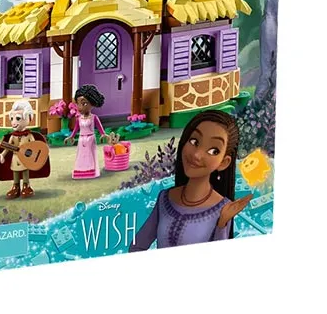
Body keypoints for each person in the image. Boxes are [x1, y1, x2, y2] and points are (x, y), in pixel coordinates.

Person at [129, 110, 252, 249]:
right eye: (194, 141)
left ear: (224, 162)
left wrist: (222, 223)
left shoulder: (223, 210)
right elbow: (137, 245)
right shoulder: (164, 198)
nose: (197, 155)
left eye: (213, 151)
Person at [0, 100, 50, 199]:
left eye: (18, 118)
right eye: (12, 119)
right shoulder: (13, 136)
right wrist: (2, 155)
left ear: (28, 118)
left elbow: (35, 146)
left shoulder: (28, 135)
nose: (14, 122)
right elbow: (8, 147)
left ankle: (26, 185)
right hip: (15, 159)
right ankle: (15, 186)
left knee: (25, 171)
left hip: (26, 160)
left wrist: (32, 154)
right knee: (15, 172)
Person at [64, 85, 110, 179]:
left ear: (92, 103)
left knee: (90, 155)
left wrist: (103, 134)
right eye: (78, 104)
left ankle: (91, 170)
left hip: (90, 138)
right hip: (81, 139)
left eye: (84, 103)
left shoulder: (94, 117)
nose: (80, 107)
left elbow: (100, 128)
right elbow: (76, 129)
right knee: (81, 155)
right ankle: (80, 171)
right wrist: (71, 137)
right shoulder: (79, 118)